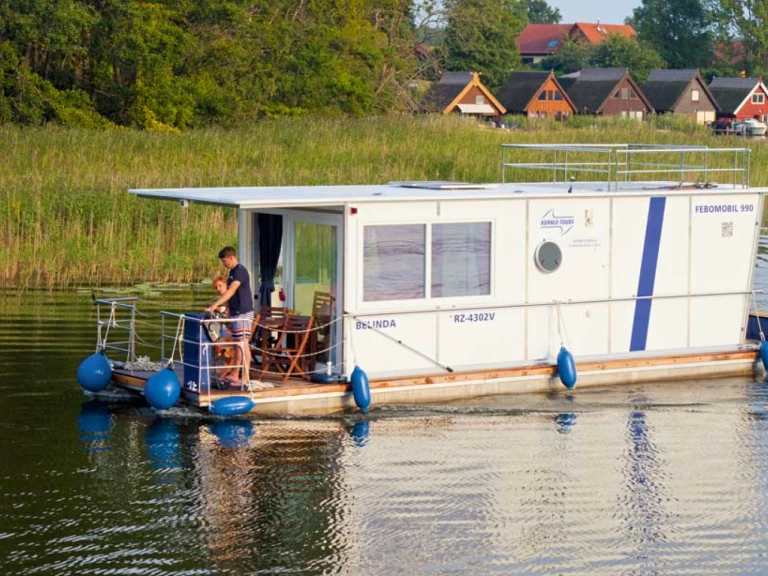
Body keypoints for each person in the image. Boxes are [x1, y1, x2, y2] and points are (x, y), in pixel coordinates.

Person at [206, 247, 254, 387]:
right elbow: (229, 295)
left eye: (225, 261)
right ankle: (234, 374)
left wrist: (214, 306)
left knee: (243, 344)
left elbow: (231, 291)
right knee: (237, 345)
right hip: (235, 313)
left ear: (231, 258)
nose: (224, 264)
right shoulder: (232, 272)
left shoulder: (240, 271)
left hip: (243, 313)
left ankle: (245, 378)